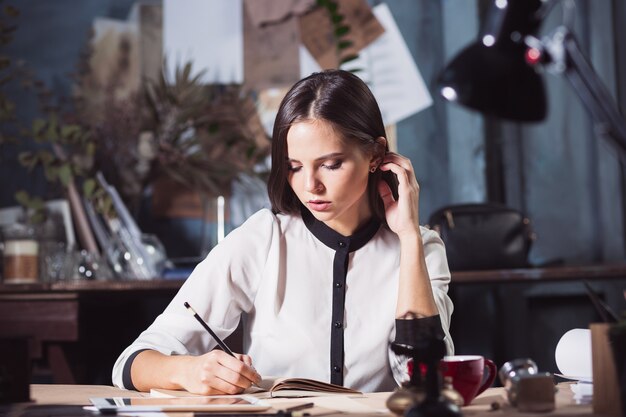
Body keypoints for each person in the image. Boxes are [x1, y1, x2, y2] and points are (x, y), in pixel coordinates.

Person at [112, 69, 454, 395]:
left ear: (375, 154)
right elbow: (131, 362)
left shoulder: (421, 249)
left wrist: (408, 238)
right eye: (294, 167)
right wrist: (189, 371)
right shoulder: (263, 239)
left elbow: (424, 385)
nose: (310, 186)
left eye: (330, 164)